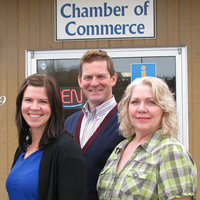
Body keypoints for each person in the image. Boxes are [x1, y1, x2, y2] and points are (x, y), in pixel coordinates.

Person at [97, 76, 197, 200]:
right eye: (135, 102)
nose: (141, 109)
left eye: (151, 102)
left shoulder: (171, 151)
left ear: (164, 109)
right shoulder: (120, 148)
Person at [6, 73, 86, 200]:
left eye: (43, 101)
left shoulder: (67, 150)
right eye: (28, 100)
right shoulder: (22, 149)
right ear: (20, 104)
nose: (34, 107)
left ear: (54, 107)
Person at [65, 49, 124, 200]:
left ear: (113, 79)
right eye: (88, 77)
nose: (94, 83)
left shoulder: (127, 122)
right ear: (80, 81)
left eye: (101, 76)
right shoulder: (70, 122)